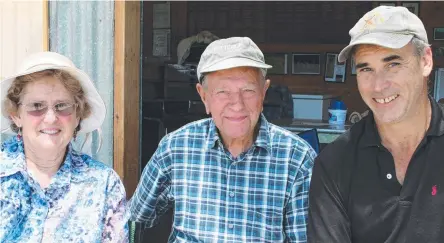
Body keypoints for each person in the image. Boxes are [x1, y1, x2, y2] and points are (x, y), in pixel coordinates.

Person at [129, 37, 316, 242]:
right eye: (223, 92)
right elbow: (134, 219)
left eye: (248, 90)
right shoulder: (175, 148)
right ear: (204, 96)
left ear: (264, 93)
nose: (237, 104)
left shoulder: (296, 157)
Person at [307, 6, 442, 243]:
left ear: (426, 61)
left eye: (393, 64)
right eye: (366, 69)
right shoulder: (335, 164)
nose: (378, 86)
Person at [0, 52, 128, 242]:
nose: (51, 118)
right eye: (37, 105)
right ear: (16, 115)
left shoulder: (104, 183)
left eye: (62, 106)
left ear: (78, 116)